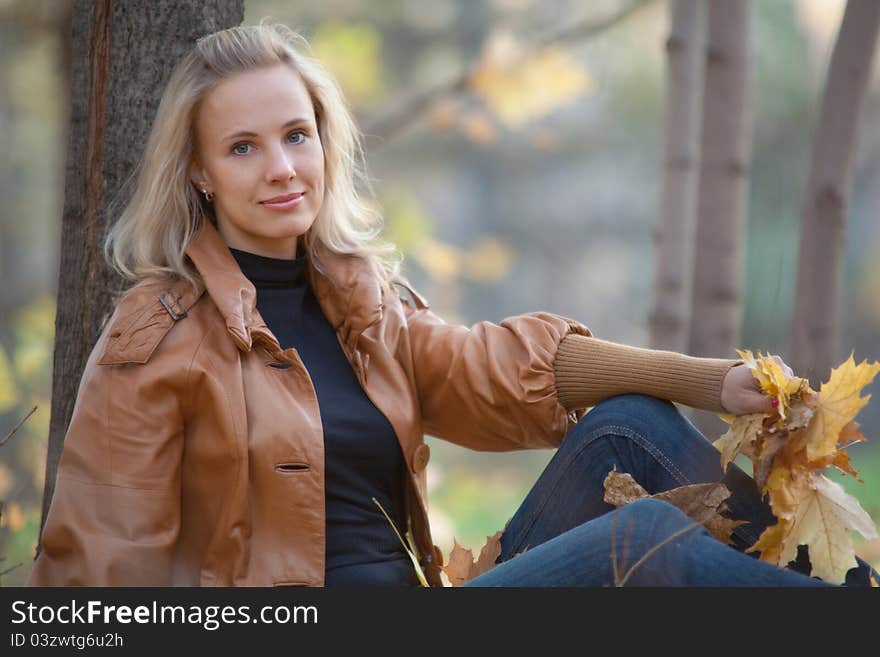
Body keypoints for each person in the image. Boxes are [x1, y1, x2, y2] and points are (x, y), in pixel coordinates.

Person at [28, 22, 875, 588]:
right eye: (244, 147)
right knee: (639, 542)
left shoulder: (358, 304)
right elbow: (95, 577)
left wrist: (710, 379)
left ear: (325, 141)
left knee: (627, 426)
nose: (282, 167)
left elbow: (493, 370)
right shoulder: (159, 333)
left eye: (296, 135)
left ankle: (830, 590)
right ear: (201, 173)